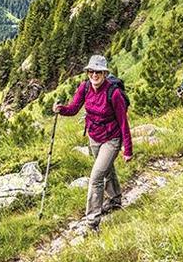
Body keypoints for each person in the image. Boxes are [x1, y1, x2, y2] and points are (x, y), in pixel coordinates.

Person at [53, 54, 132, 230]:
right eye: (91, 71)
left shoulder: (115, 93)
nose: (94, 75)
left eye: (98, 72)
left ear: (104, 73)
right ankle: (115, 199)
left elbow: (123, 122)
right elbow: (73, 108)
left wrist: (128, 149)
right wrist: (61, 110)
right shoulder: (85, 87)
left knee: (96, 178)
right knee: (107, 169)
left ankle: (92, 221)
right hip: (94, 135)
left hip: (112, 138)